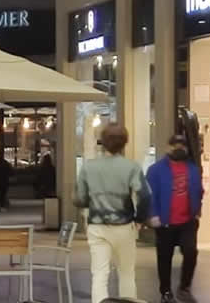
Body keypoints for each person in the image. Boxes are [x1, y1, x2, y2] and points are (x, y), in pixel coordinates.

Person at [73, 123, 151, 303]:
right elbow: (145, 196)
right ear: (125, 143)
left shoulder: (88, 167)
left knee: (99, 275)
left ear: (103, 142)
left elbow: (79, 198)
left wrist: (91, 202)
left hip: (97, 226)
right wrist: (140, 219)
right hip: (124, 226)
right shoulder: (132, 167)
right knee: (127, 273)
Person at [147, 135, 203, 303]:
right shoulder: (155, 170)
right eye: (174, 145)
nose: (178, 148)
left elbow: (199, 190)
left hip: (188, 220)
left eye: (182, 146)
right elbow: (149, 194)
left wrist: (197, 208)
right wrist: (152, 214)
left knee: (191, 252)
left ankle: (184, 288)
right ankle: (165, 291)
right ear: (167, 147)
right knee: (164, 257)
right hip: (164, 221)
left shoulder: (193, 168)